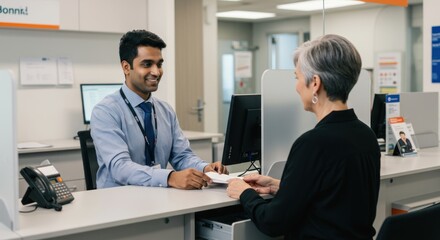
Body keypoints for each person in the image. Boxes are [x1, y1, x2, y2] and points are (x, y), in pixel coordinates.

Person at [226, 34, 381, 239]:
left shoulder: (312, 143)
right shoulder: (365, 135)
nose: (297, 87)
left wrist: (244, 193)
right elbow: (336, 197)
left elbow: (273, 222)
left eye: (297, 78)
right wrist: (278, 186)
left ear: (315, 82)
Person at [91, 30, 227, 190]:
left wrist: (205, 168)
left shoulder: (165, 110)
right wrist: (170, 177)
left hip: (158, 195)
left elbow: (182, 156)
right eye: (147, 64)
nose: (156, 72)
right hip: (118, 202)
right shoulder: (105, 112)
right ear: (126, 67)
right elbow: (120, 168)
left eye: (159, 64)